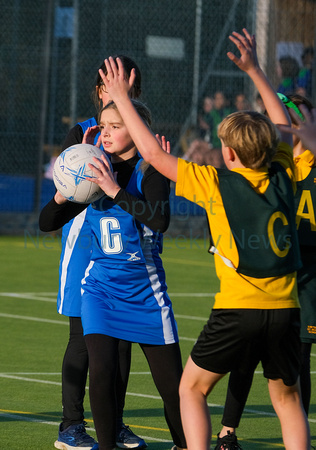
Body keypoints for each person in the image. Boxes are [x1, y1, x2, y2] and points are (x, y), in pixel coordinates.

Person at [97, 27, 311, 450]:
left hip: (237, 308)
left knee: (191, 389)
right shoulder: (285, 173)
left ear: (229, 154)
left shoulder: (215, 182)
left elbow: (154, 155)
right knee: (288, 401)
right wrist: (255, 72)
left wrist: (120, 97)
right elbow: (284, 127)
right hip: (287, 309)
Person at [40, 98, 187, 450]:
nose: (105, 133)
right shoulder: (93, 168)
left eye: (115, 127)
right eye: (103, 126)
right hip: (100, 290)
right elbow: (46, 223)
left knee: (173, 388)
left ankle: (186, 444)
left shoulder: (149, 169)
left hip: (146, 294)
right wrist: (66, 190)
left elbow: (159, 220)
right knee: (102, 372)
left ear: (137, 131)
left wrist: (114, 191)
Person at [52, 56, 146, 450]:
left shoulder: (140, 135)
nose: (112, 89)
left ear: (134, 86)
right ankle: (70, 425)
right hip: (84, 242)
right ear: (97, 90)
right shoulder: (86, 133)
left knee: (121, 341)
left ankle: (115, 424)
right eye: (106, 84)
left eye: (121, 82)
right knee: (81, 335)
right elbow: (69, 186)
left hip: (123, 248)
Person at [214, 93, 315, 450]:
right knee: (251, 354)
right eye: (288, 117)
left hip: (305, 276)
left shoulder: (302, 163)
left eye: (298, 116)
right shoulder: (279, 168)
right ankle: (228, 428)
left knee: (298, 359)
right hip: (280, 276)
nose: (290, 123)